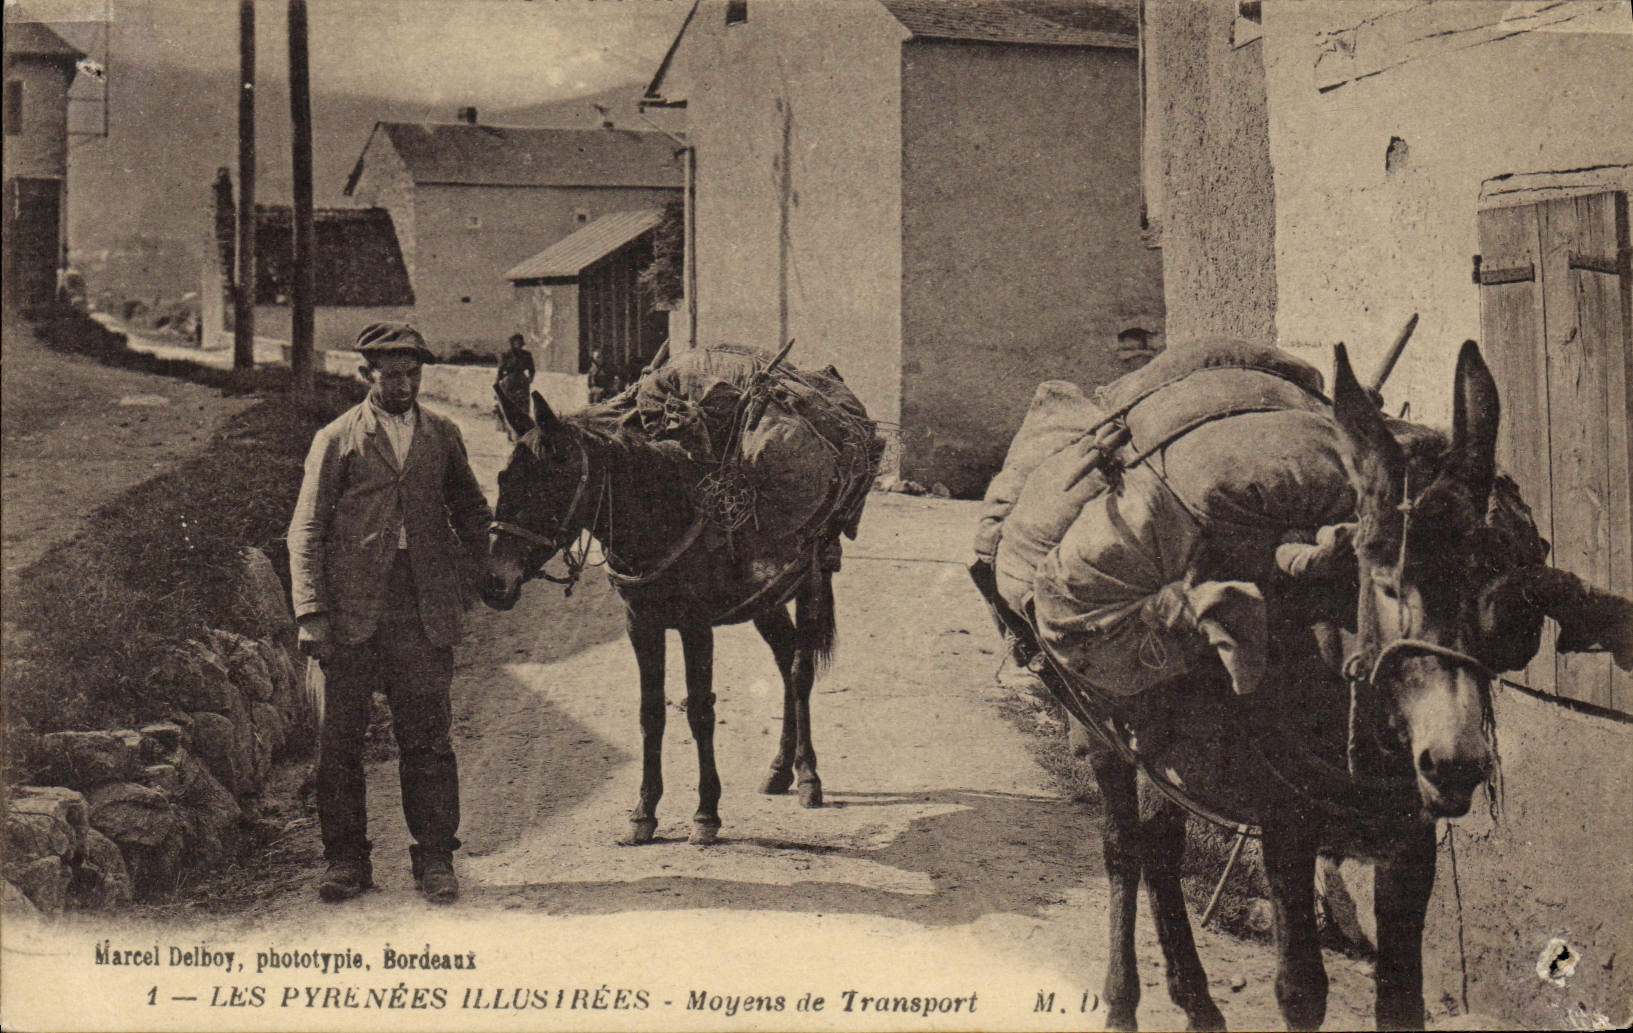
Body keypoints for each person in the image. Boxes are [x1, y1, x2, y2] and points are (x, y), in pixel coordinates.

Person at [287, 322, 493, 904]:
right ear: (366, 374)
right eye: (392, 375)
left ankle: (435, 859)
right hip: (350, 610)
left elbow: (471, 511)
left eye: (412, 374)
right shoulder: (337, 438)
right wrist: (311, 611)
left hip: (421, 610)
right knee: (339, 745)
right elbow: (306, 529)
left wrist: (486, 569)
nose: (403, 385)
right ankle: (346, 861)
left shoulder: (443, 434)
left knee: (428, 740)